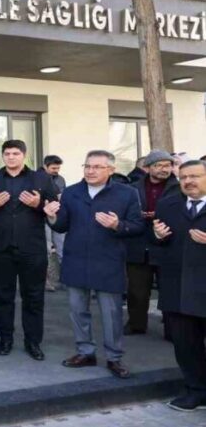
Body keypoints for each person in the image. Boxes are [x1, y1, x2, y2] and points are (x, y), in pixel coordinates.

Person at [45, 150, 143, 378]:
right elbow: (62, 226)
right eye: (87, 166)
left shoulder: (126, 193)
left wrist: (118, 225)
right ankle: (85, 352)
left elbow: (138, 227)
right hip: (76, 259)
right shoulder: (71, 192)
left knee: (111, 314)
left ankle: (114, 357)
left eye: (97, 167)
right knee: (78, 311)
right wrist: (51, 217)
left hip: (108, 262)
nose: (90, 171)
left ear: (111, 169)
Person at [0, 139, 60, 360]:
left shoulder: (41, 178)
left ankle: (33, 342)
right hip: (1, 248)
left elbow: (55, 207)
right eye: (7, 154)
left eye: (15, 153)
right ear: (3, 156)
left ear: (24, 155)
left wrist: (38, 205)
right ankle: (5, 339)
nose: (11, 157)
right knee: (3, 296)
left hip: (32, 248)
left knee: (33, 297)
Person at [151, 160, 206, 410]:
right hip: (178, 289)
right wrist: (158, 237)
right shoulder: (167, 205)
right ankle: (196, 392)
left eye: (195, 176)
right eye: (183, 177)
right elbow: (157, 247)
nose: (188, 181)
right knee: (185, 346)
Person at [125, 150, 180, 336]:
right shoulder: (132, 187)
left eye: (168, 165)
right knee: (136, 290)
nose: (164, 169)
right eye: (159, 165)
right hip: (138, 243)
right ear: (147, 168)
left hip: (168, 243)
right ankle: (136, 324)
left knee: (169, 290)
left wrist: (159, 216)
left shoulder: (179, 187)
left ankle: (172, 330)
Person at [44, 155, 68, 292]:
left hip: (58, 217)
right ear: (45, 166)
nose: (56, 170)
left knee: (62, 249)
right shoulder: (38, 178)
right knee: (46, 250)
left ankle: (66, 279)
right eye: (53, 168)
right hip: (43, 218)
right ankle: (45, 281)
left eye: (58, 168)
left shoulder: (60, 179)